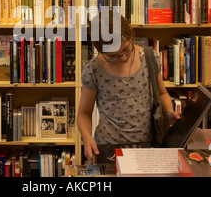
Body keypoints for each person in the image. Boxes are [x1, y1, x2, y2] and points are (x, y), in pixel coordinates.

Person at [77, 10, 181, 163]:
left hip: (148, 147)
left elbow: (162, 93)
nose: (123, 57)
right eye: (113, 56)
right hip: (109, 148)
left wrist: (168, 113)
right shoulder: (93, 70)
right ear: (100, 51)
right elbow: (84, 114)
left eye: (126, 49)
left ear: (131, 34)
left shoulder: (150, 58)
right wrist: (87, 138)